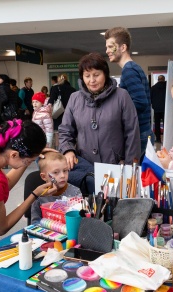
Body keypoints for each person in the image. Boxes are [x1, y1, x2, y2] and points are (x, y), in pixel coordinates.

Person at [59, 52, 140, 193]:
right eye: (87, 76)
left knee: (114, 206)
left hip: (116, 166)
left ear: (105, 74)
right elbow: (65, 130)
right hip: (85, 168)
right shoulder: (74, 98)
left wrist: (129, 166)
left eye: (96, 75)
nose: (92, 80)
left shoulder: (122, 96)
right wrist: (68, 150)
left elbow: (132, 133)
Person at [0, 119, 56, 235]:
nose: (29, 164)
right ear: (14, 155)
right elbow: (1, 228)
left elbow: (5, 185)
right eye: (29, 161)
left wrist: (32, 154)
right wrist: (34, 195)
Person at [105, 27, 153, 160]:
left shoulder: (129, 70)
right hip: (143, 132)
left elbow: (140, 102)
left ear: (123, 47)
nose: (107, 51)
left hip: (140, 133)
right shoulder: (133, 68)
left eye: (110, 47)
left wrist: (116, 114)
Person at [31, 152, 81, 224]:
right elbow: (35, 223)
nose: (62, 176)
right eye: (56, 172)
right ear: (44, 176)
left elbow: (80, 219)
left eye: (65, 171)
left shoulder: (75, 192)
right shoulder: (39, 196)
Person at [151, 75, 167, 143]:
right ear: (164, 79)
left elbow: (150, 98)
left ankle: (158, 138)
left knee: (157, 124)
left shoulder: (153, 88)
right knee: (165, 124)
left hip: (156, 109)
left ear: (158, 80)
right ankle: (166, 138)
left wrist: (154, 105)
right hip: (165, 109)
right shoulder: (167, 87)